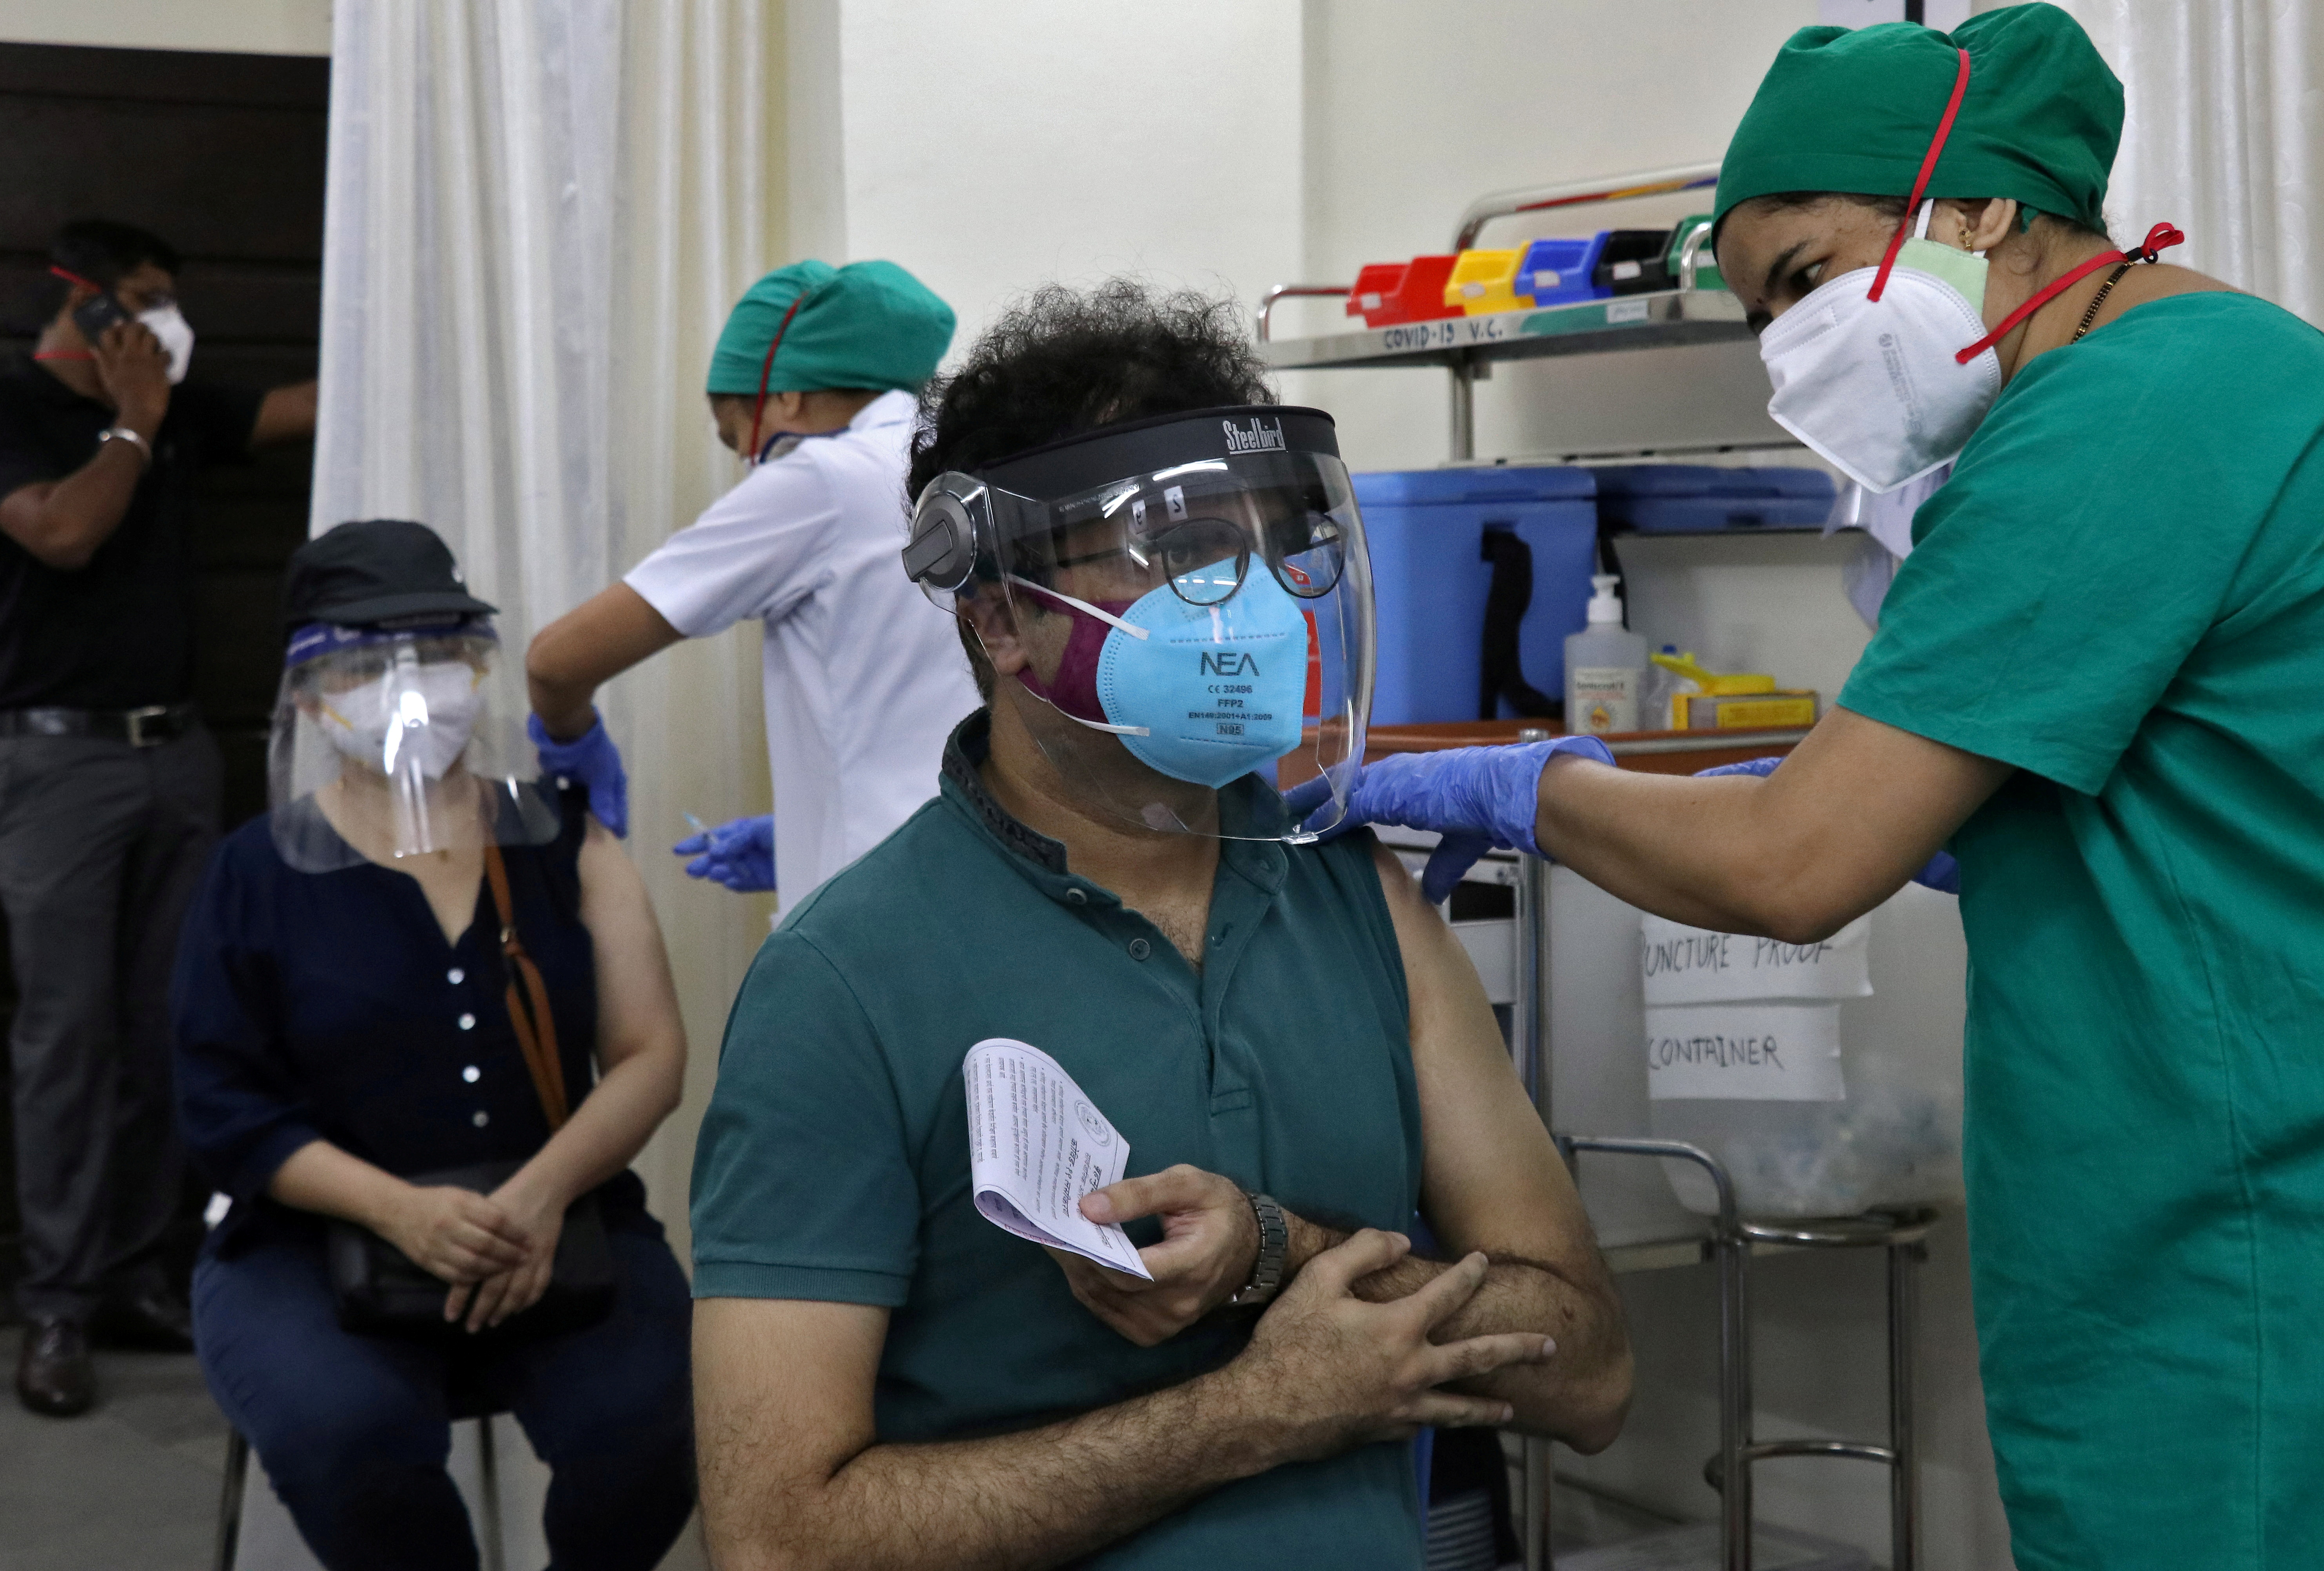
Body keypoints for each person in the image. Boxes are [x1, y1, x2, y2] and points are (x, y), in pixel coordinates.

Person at [1321, 9, 2324, 1569]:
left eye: (1803, 279)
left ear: (1979, 207)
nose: (1791, 343)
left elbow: (1793, 870)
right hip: (2203, 1173)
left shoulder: (2115, 416)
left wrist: (1519, 784)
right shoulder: (2223, 367)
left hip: (2236, 1229)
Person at [689, 282, 1632, 1570]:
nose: (1246, 602)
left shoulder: (1361, 906)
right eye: (1183, 551)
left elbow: (1588, 1375)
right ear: (1001, 617)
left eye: (1267, 545)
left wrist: (1278, 1248)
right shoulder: (846, 982)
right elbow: (775, 1541)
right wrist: (1248, 1417)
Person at [172, 519, 696, 1570]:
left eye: (436, 654)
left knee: (657, 1427)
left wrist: (542, 1195)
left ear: (478, 666)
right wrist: (400, 1211)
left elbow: (648, 1053)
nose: (409, 688)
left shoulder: (563, 837)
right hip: (312, 1246)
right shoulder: (255, 874)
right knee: (346, 1437)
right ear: (315, 698)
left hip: (558, 1215)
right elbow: (222, 1104)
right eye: (367, 664)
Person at [0, 218, 318, 1415]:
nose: (172, 323)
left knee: (167, 1028)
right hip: (51, 769)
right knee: (66, 1045)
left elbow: (303, 409)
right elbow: (60, 534)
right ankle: (57, 1306)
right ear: (88, 307)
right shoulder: (3, 413)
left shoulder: (174, 411)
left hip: (172, 757)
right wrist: (132, 426)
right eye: (150, 300)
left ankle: (132, 1274)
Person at [525, 257, 971, 915]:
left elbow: (557, 661)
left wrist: (570, 740)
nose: (746, 463)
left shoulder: (824, 477)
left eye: (737, 437)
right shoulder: (960, 460)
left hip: (879, 906)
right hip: (977, 869)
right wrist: (806, 832)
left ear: (788, 396)